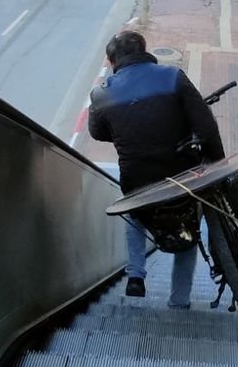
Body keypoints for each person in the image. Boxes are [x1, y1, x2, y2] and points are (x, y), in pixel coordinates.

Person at [88, 31, 224, 307]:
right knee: (189, 228)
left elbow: (98, 132)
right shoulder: (173, 77)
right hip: (181, 173)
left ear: (112, 60)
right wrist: (216, 162)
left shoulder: (102, 94)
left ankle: (136, 274)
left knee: (135, 210)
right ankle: (179, 301)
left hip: (136, 178)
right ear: (144, 50)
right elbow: (206, 125)